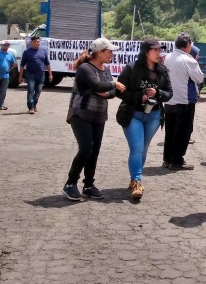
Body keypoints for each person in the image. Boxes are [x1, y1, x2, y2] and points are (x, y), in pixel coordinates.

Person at [62, 38, 125, 201]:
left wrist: (108, 90)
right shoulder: (85, 68)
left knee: (94, 152)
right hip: (81, 114)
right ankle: (70, 183)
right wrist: (111, 85)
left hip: (98, 116)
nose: (112, 54)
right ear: (100, 52)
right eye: (109, 51)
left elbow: (111, 93)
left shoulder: (105, 70)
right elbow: (98, 85)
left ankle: (88, 185)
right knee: (86, 149)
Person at [116, 38, 172, 200]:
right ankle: (137, 181)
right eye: (155, 50)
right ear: (146, 52)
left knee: (144, 148)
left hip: (154, 115)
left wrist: (158, 94)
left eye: (159, 50)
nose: (158, 53)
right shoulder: (132, 68)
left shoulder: (162, 70)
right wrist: (139, 97)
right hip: (133, 114)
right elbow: (120, 90)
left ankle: (134, 176)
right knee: (137, 148)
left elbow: (169, 93)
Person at [163, 33, 203, 170]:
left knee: (170, 131)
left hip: (169, 101)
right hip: (184, 101)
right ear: (187, 45)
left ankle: (167, 159)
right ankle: (177, 161)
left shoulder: (168, 57)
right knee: (183, 132)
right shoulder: (188, 60)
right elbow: (199, 78)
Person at [19, 35, 52, 114]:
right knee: (30, 90)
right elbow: (22, 65)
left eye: (38, 41)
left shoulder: (43, 51)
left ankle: (34, 104)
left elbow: (47, 64)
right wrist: (20, 76)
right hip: (30, 74)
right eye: (35, 42)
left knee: (38, 91)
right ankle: (30, 107)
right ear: (31, 42)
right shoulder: (27, 52)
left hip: (41, 74)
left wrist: (50, 74)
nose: (37, 43)